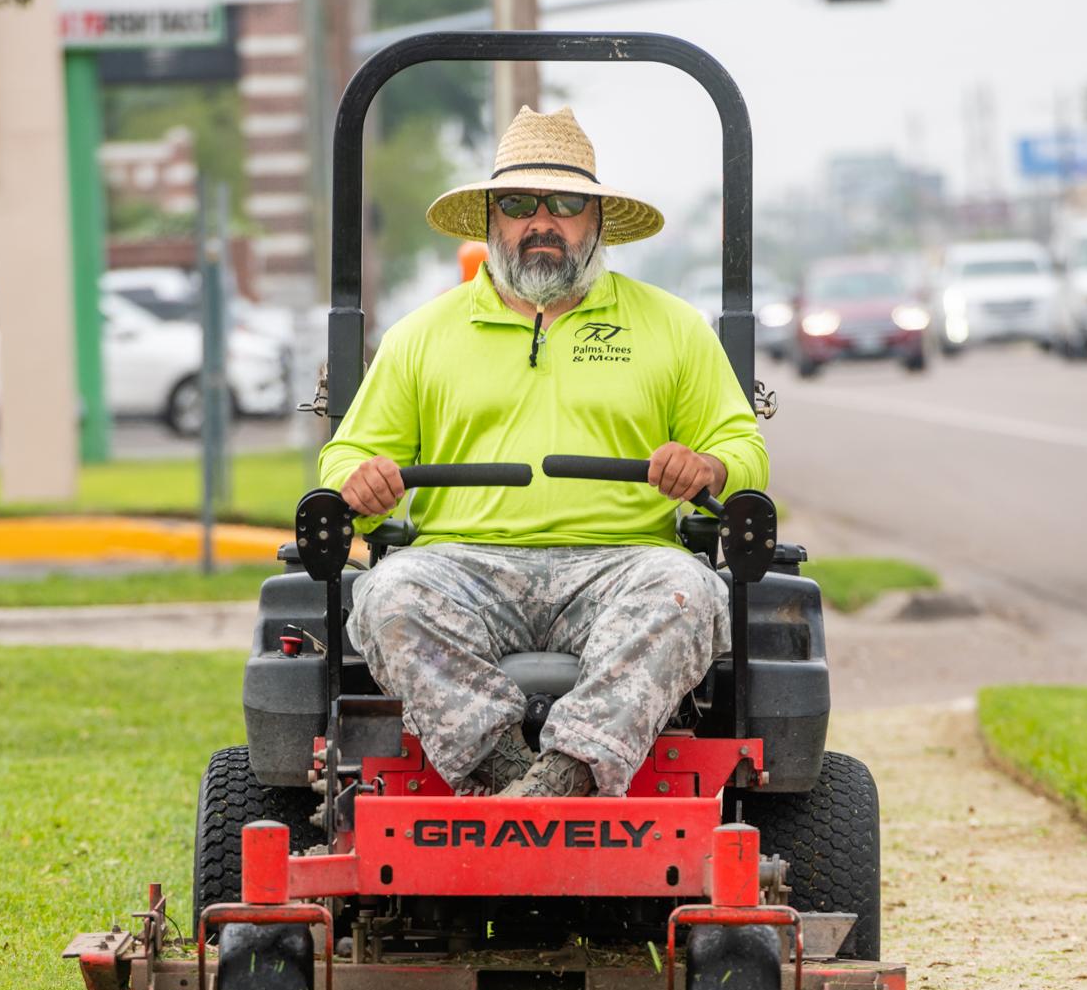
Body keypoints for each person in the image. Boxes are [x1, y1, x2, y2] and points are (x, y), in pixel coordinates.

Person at [319, 106, 769, 798]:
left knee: (687, 594)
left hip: (621, 561)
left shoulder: (670, 327)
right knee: (388, 597)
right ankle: (506, 770)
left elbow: (742, 446)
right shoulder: (422, 335)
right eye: (519, 203)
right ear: (492, 220)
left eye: (564, 204)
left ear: (595, 220)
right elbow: (347, 457)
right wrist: (361, 481)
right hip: (462, 563)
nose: (541, 221)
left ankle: (563, 777)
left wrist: (708, 467)